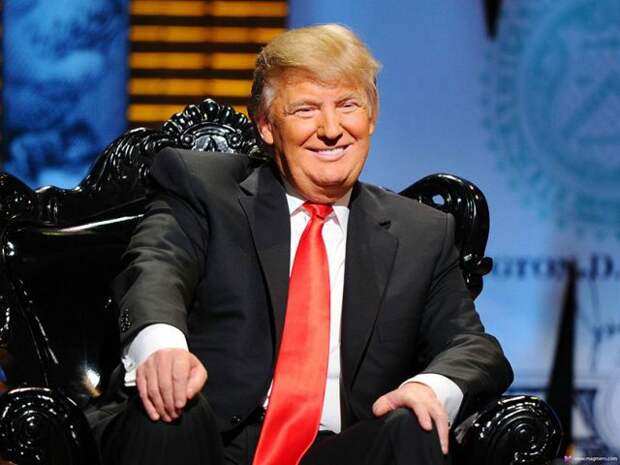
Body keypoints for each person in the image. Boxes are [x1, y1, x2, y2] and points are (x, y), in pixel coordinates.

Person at [96, 24, 513, 465]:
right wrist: (161, 348)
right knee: (167, 409)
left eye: (348, 105)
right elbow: (156, 270)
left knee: (415, 426)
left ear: (371, 115)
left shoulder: (421, 233)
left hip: (339, 448)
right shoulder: (203, 188)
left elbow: (474, 346)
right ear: (266, 125)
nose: (332, 129)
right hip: (210, 439)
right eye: (306, 109)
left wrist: (430, 387)